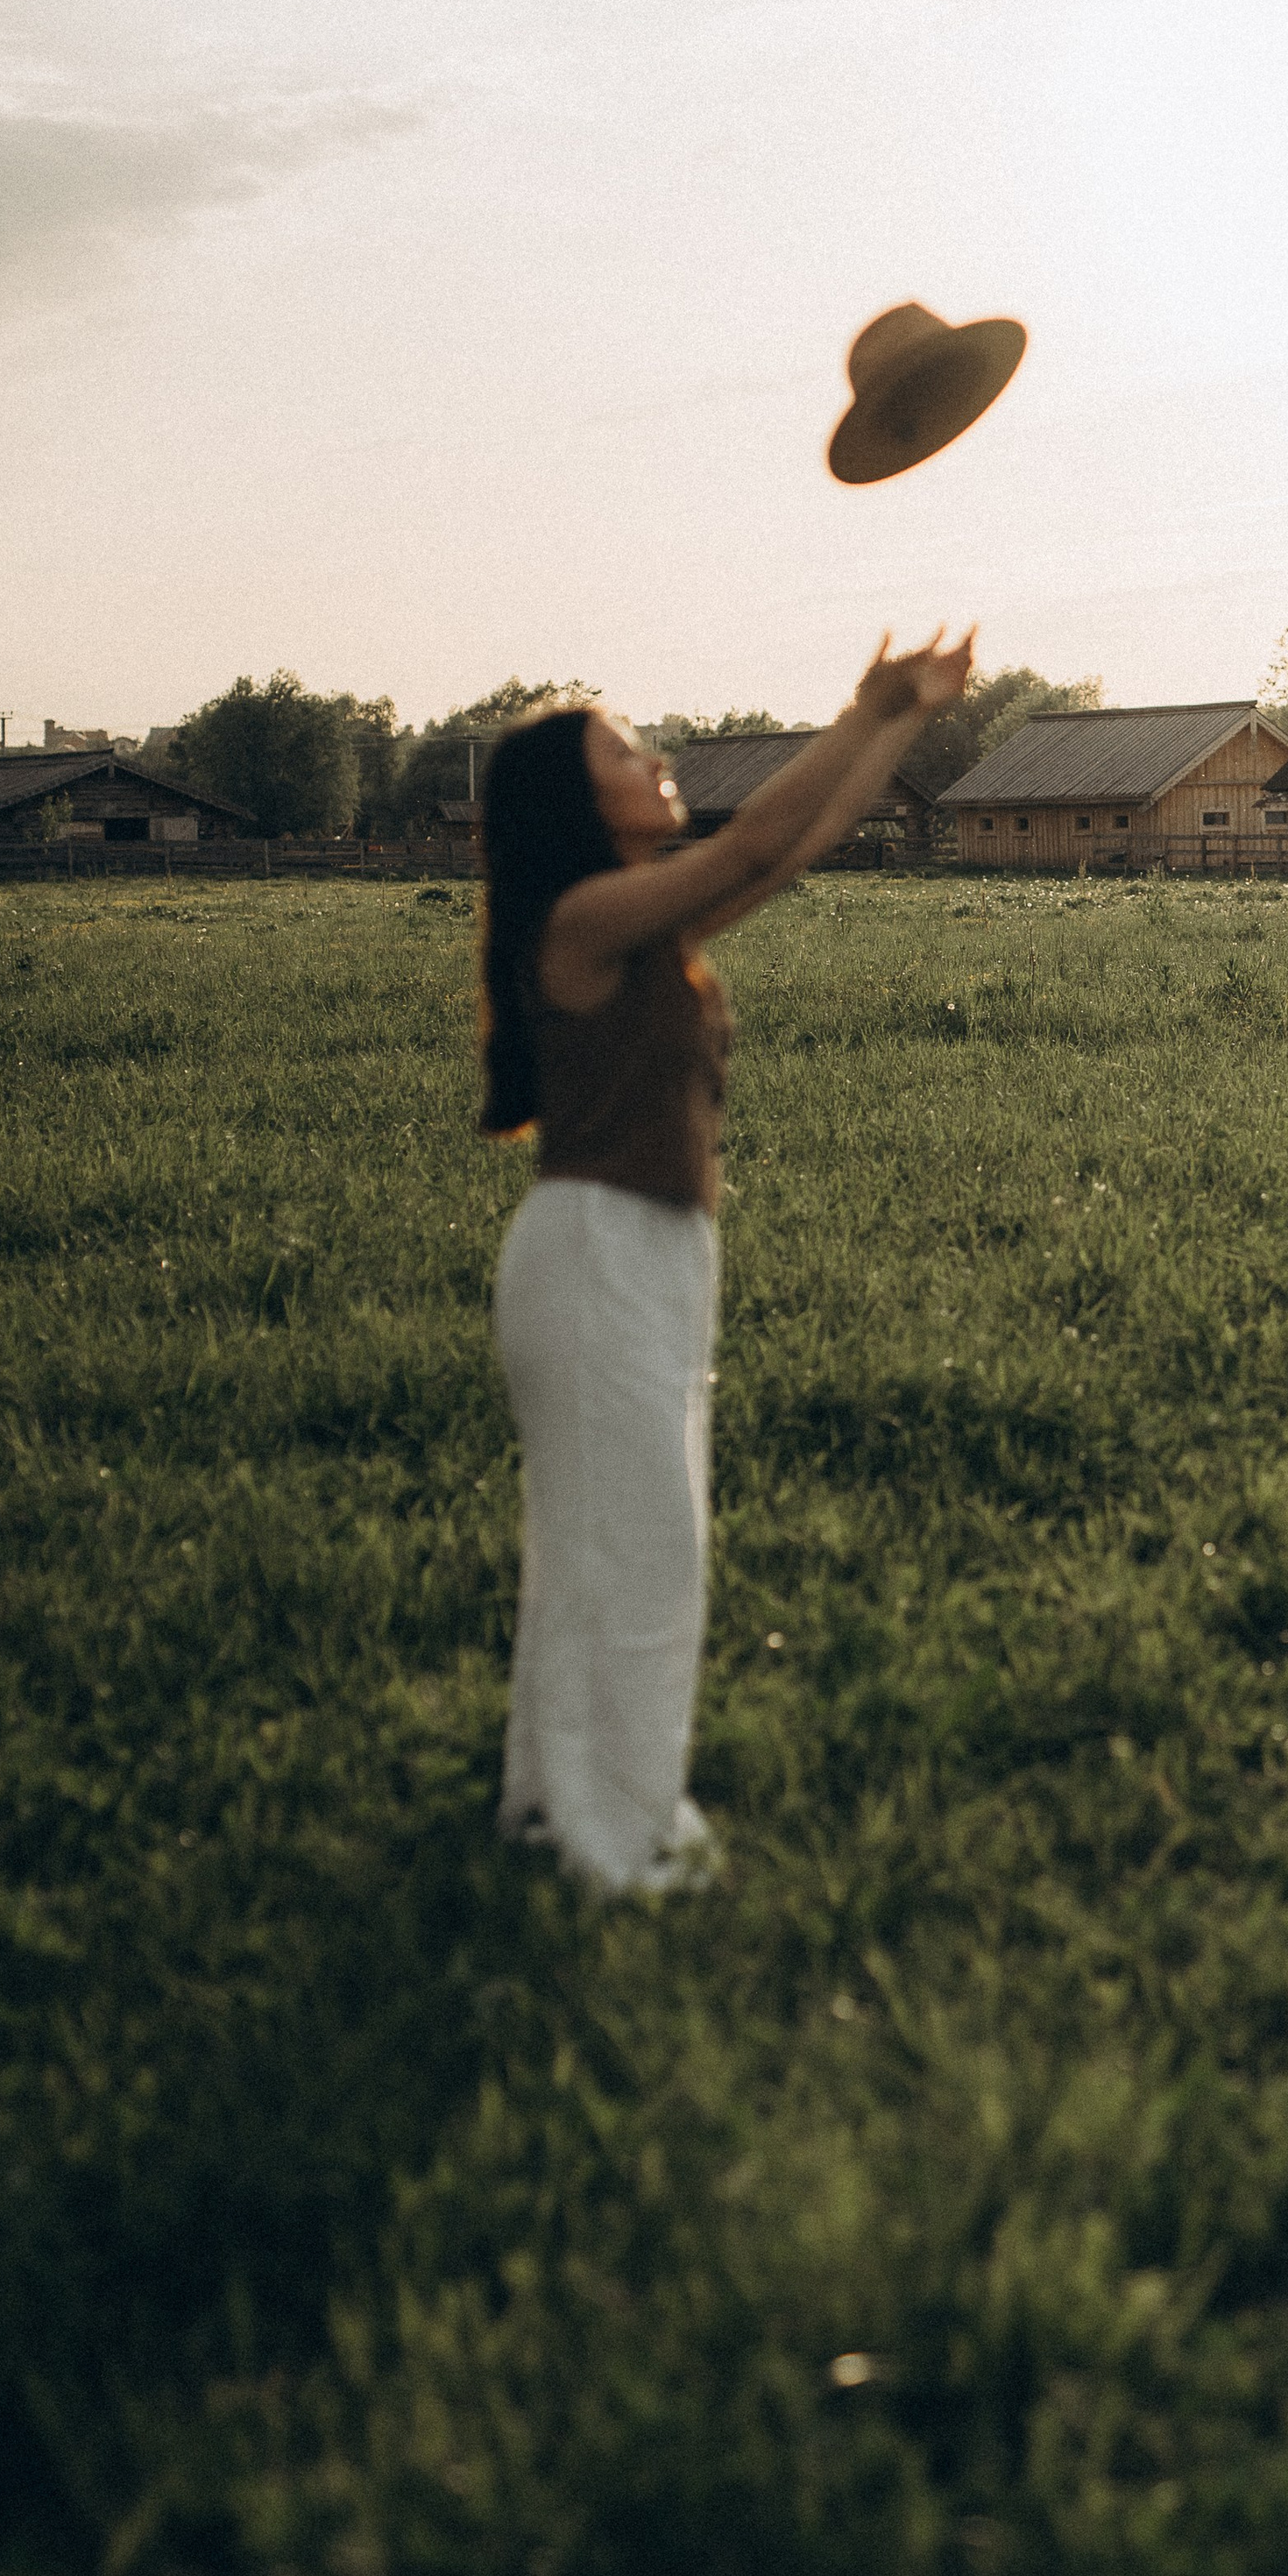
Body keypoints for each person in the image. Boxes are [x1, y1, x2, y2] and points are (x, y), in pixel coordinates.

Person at [478, 633, 973, 1893]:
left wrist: (895, 722)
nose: (658, 760)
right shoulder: (583, 919)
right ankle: (618, 1841)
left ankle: (555, 1806)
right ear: (575, 804)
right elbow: (754, 843)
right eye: (627, 750)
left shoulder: (642, 924)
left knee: (605, 1548)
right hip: (596, 1260)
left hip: (641, 1259)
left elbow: (791, 848)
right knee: (640, 1557)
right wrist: (862, 706)